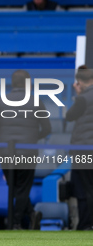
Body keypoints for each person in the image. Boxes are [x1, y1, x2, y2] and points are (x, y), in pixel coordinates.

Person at [0, 70, 51, 230]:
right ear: (28, 84)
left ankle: (26, 216)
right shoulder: (36, 101)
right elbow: (47, 128)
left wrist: (2, 135)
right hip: (28, 151)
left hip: (6, 151)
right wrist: (33, 137)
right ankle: (18, 220)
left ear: (12, 83)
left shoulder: (0, 101)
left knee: (14, 187)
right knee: (23, 187)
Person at [66, 65, 93, 230]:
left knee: (85, 188)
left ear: (80, 82)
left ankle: (86, 223)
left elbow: (69, 116)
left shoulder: (83, 98)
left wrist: (78, 95)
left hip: (84, 147)